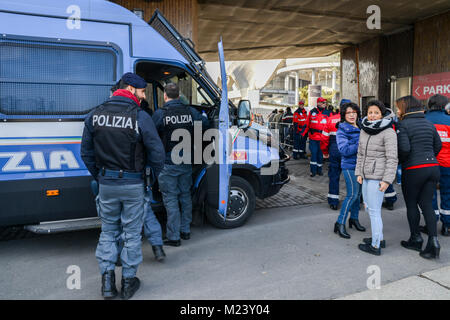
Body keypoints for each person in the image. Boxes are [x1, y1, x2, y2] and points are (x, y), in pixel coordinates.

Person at [81, 72, 165, 299]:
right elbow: (157, 153)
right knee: (131, 235)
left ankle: (107, 286)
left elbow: (86, 153)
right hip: (133, 184)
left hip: (107, 183)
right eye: (142, 91)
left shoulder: (94, 114)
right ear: (130, 89)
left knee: (108, 233)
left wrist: (100, 177)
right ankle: (128, 284)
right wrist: (150, 178)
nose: (144, 96)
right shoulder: (140, 116)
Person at [152, 82, 208, 247]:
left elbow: (150, 133)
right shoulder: (190, 111)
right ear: (179, 95)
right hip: (186, 162)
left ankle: (174, 236)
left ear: (165, 96)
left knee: (171, 200)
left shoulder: (160, 114)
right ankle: (185, 231)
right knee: (185, 196)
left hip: (168, 164)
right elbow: (204, 125)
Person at [396, 95, 442, 259]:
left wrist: (401, 162)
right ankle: (433, 241)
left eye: (398, 107)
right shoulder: (429, 123)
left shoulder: (403, 125)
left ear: (405, 108)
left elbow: (405, 149)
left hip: (414, 169)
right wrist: (428, 157)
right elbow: (439, 145)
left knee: (412, 204)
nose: (397, 111)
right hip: (433, 167)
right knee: (427, 204)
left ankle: (415, 239)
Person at [355, 100, 398, 255]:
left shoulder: (389, 132)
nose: (372, 116)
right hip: (365, 176)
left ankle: (375, 246)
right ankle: (378, 238)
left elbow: (392, 158)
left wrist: (387, 180)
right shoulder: (364, 129)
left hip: (378, 177)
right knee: (369, 208)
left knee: (374, 211)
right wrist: (359, 173)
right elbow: (360, 154)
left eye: (376, 112)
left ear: (382, 114)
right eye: (370, 112)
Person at [334, 102, 365, 238]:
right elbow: (344, 150)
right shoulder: (342, 130)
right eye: (348, 113)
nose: (352, 115)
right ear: (343, 115)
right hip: (350, 166)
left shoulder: (361, 126)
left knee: (358, 195)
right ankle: (340, 223)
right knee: (352, 195)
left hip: (362, 166)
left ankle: (354, 219)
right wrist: (361, 143)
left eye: (354, 112)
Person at [424, 94, 450, 236]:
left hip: (429, 163)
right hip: (448, 164)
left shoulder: (424, 119)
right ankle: (447, 226)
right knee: (447, 193)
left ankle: (431, 224)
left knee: (430, 194)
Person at [321, 99, 350, 210]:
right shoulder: (354, 119)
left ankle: (333, 201)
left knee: (334, 176)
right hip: (349, 151)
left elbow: (324, 138)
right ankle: (355, 199)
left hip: (334, 150)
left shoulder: (330, 119)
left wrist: (325, 152)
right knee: (351, 177)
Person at [305, 97, 331, 177]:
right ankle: (313, 171)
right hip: (313, 138)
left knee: (320, 155)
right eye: (323, 103)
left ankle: (319, 170)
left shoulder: (328, 113)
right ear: (318, 103)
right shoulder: (312, 112)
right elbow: (307, 124)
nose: (324, 104)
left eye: (325, 103)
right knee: (314, 154)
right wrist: (303, 134)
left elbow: (330, 125)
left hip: (323, 138)